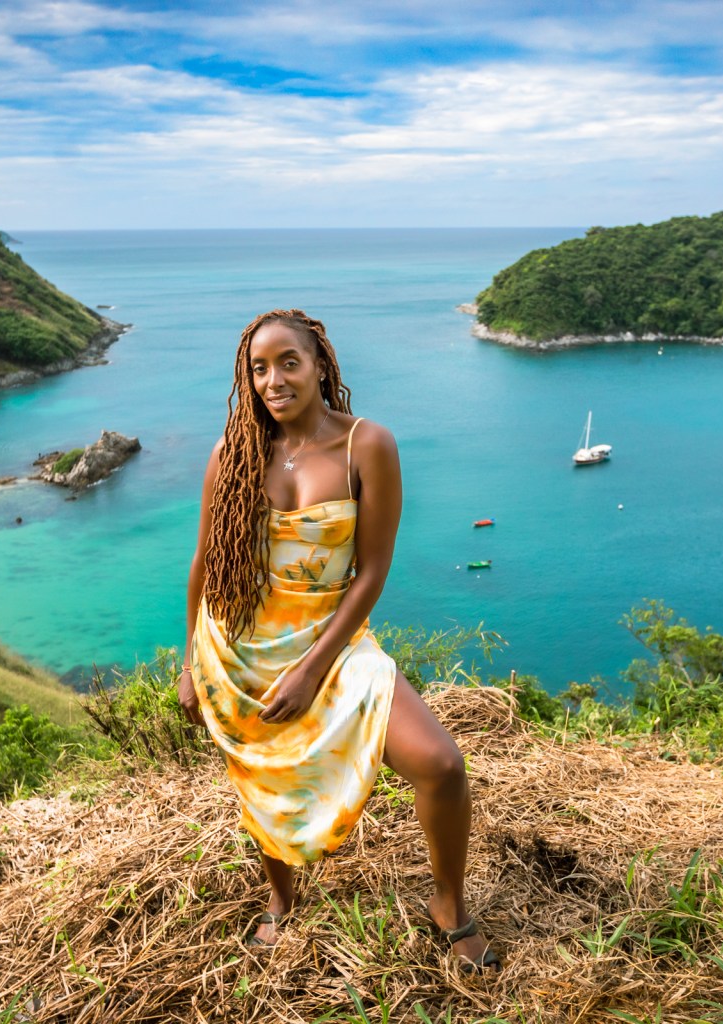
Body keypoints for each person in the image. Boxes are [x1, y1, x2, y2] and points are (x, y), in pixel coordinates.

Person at [177, 309, 500, 972]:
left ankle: (448, 903)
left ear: (320, 363)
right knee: (264, 781)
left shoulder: (367, 444)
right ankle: (279, 900)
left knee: (440, 763)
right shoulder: (231, 453)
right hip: (241, 648)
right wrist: (190, 660)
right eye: (258, 368)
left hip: (332, 639)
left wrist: (313, 670)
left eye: (288, 362)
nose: (273, 379)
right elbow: (205, 564)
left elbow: (371, 572)